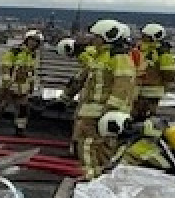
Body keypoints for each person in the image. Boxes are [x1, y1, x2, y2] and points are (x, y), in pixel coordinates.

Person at [56, 18, 136, 179]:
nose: (93, 40)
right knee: (94, 144)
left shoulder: (118, 58)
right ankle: (96, 175)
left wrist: (111, 111)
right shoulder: (102, 56)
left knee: (89, 144)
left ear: (106, 37)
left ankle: (90, 176)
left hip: (101, 110)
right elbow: (84, 79)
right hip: (92, 108)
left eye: (96, 37)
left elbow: (123, 86)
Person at [0, 30, 42, 135]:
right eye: (32, 40)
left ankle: (20, 129)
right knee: (0, 106)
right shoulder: (15, 51)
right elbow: (5, 67)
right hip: (10, 86)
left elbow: (32, 72)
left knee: (23, 109)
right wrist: (7, 83)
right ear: (26, 40)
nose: (33, 43)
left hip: (23, 87)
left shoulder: (33, 55)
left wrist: (31, 86)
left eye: (36, 41)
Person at [133, 23, 175, 120]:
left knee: (146, 118)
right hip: (137, 91)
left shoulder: (162, 53)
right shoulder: (140, 50)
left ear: (152, 37)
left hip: (151, 93)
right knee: (135, 116)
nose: (142, 37)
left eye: (145, 36)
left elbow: (170, 75)